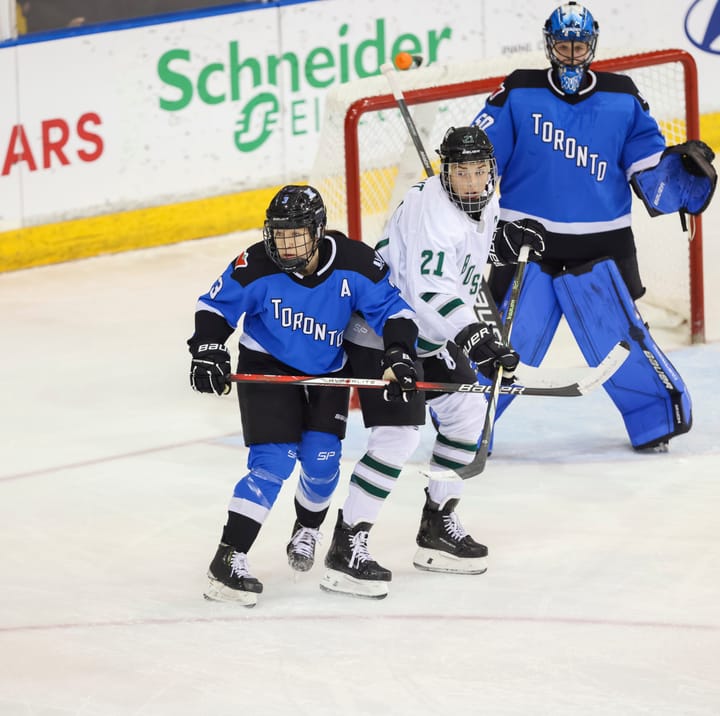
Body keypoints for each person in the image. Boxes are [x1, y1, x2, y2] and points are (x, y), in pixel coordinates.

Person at [302, 126, 545, 599]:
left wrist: (502, 240)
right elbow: (429, 290)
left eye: (480, 171)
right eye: (462, 171)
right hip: (385, 332)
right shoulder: (429, 211)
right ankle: (347, 545)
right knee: (398, 437)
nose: (473, 181)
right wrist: (474, 334)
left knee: (467, 414)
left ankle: (437, 526)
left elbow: (463, 256)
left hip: (433, 335)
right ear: (445, 171)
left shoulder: (482, 199)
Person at [471, 2, 716, 452]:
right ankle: (466, 425)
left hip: (603, 244)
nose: (570, 53)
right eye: (562, 44)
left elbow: (646, 165)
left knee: (621, 341)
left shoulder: (622, 95)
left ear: (592, 46)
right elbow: (480, 158)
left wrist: (674, 174)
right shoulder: (518, 91)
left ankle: (655, 419)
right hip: (525, 244)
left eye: (578, 44)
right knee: (504, 342)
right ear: (549, 45)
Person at [188, 184, 418, 606]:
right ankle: (229, 558)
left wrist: (399, 353)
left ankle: (308, 529)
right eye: (277, 234)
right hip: (265, 365)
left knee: (322, 460)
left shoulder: (356, 262)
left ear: (318, 231)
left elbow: (395, 311)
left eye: (296, 234)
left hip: (328, 370)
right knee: (273, 461)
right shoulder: (255, 264)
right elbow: (214, 307)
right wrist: (207, 348)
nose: (285, 244)